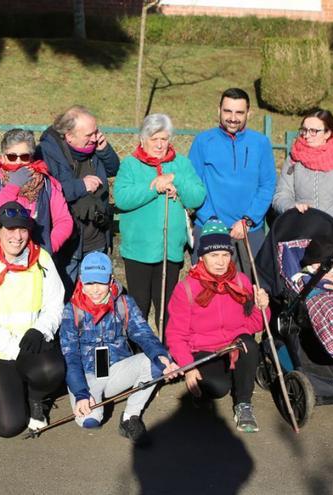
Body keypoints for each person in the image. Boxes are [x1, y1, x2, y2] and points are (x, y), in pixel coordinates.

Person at [0, 202, 66, 438]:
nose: (17, 237)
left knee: (53, 370)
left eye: (22, 229)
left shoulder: (42, 258)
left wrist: (41, 330)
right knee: (10, 426)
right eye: (10, 229)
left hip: (29, 343)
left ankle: (34, 398)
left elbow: (54, 303)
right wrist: (12, 348)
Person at [59, 252, 179, 443]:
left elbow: (142, 332)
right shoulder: (71, 310)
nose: (95, 289)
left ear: (111, 280)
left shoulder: (124, 302)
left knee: (157, 364)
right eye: (89, 283)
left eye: (101, 282)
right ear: (81, 281)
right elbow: (70, 355)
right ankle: (90, 400)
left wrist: (160, 355)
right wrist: (81, 393)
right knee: (90, 421)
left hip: (117, 370)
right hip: (87, 376)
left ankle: (130, 417)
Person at [165, 218, 270, 432]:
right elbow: (175, 335)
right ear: (202, 257)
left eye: (225, 254)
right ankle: (231, 377)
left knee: (249, 343)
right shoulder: (186, 288)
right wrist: (188, 367)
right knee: (217, 388)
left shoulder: (240, 282)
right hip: (202, 350)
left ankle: (243, 403)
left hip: (233, 345)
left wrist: (262, 307)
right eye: (214, 255)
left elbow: (254, 325)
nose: (221, 262)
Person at [114, 113, 206, 326]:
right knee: (139, 308)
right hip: (139, 251)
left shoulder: (181, 164)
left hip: (169, 250)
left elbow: (197, 197)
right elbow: (122, 198)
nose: (159, 145)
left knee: (167, 309)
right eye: (154, 139)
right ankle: (138, 354)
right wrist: (155, 187)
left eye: (163, 139)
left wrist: (175, 178)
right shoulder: (130, 165)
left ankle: (166, 354)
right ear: (142, 140)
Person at [188, 88, 276, 273]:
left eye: (239, 112)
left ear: (249, 113)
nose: (233, 118)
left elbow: (267, 185)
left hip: (248, 231)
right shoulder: (203, 141)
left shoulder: (261, 143)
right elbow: (193, 185)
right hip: (209, 227)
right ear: (218, 110)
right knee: (207, 292)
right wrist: (211, 220)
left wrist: (248, 220)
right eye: (228, 111)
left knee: (248, 291)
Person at [38, 106, 119, 283]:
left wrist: (104, 149)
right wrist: (81, 186)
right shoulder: (47, 153)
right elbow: (47, 191)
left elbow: (113, 168)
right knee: (66, 297)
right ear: (69, 135)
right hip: (70, 243)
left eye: (96, 132)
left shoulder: (94, 148)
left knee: (95, 298)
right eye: (89, 134)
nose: (95, 138)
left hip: (97, 238)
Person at [272, 109, 333, 245]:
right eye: (304, 130)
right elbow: (280, 195)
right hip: (301, 239)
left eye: (314, 131)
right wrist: (290, 206)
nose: (307, 135)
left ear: (327, 133)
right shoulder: (294, 159)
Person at [0, 129, 73, 255]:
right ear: (3, 157)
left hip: (37, 258)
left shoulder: (46, 184)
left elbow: (64, 220)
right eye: (12, 157)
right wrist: (12, 187)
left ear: (31, 158)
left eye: (24, 157)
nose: (18, 162)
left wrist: (48, 248)